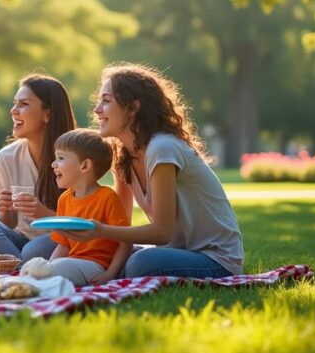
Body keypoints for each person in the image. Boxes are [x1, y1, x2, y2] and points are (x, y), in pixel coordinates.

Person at [59, 63, 244, 278]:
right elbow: (120, 222)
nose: (97, 109)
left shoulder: (162, 148)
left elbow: (162, 231)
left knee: (140, 263)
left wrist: (100, 231)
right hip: (174, 251)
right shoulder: (124, 155)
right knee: (68, 250)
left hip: (214, 259)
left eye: (106, 101)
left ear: (132, 107)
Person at [0, 73, 76, 262]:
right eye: (15, 103)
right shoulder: (6, 157)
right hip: (20, 241)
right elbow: (7, 225)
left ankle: (21, 269)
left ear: (47, 114)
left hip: (62, 240)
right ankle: (26, 269)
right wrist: (6, 211)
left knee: (31, 251)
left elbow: (82, 225)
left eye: (24, 104)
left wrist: (43, 213)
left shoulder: (75, 157)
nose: (13, 110)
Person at [41, 128, 130, 286]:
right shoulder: (64, 199)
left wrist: (110, 274)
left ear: (84, 165)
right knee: (34, 267)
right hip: (72, 262)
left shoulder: (107, 197)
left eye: (60, 158)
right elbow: (64, 244)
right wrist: (47, 266)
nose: (53, 164)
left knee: (56, 268)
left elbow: (125, 242)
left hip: (96, 267)